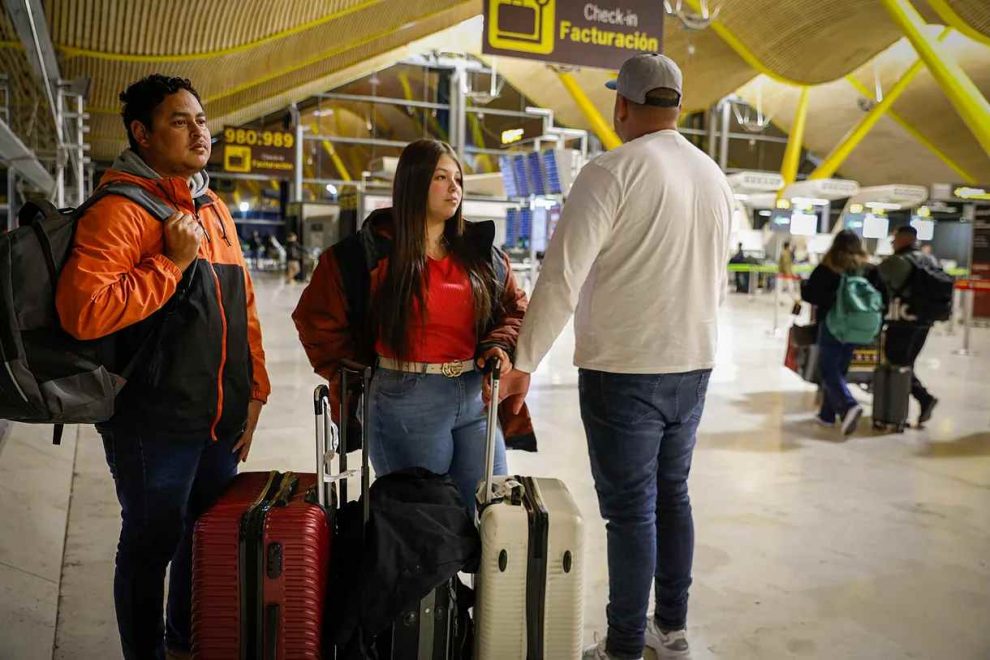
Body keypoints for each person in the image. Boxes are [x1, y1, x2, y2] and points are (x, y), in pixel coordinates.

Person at [501, 54, 732, 660]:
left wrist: (523, 361)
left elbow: (560, 278)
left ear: (621, 106)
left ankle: (625, 645)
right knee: (672, 495)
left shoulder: (610, 171)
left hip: (625, 370)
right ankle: (671, 630)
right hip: (695, 363)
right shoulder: (714, 176)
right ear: (676, 105)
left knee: (631, 513)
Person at [55, 75, 270, 660]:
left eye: (201, 120)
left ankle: (184, 646)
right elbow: (85, 311)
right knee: (152, 546)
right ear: (142, 134)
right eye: (181, 121)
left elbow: (240, 303)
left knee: (202, 544)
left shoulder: (212, 205)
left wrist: (255, 391)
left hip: (218, 418)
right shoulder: (120, 210)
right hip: (153, 424)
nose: (200, 131)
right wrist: (171, 265)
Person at [292, 139, 530, 512]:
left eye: (458, 179)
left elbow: (514, 309)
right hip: (405, 400)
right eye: (440, 177)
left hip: (475, 396)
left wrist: (498, 345)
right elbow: (315, 320)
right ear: (413, 183)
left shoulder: (482, 255)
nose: (454, 187)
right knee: (423, 528)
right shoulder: (366, 255)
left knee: (491, 516)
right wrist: (354, 376)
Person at [800, 230, 881, 436]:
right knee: (840, 369)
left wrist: (804, 286)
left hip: (832, 325)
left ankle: (848, 406)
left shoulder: (828, 267)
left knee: (828, 370)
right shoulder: (868, 269)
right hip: (858, 327)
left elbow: (812, 295)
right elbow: (881, 296)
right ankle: (827, 415)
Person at [878, 226, 939, 425]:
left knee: (897, 363)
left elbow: (876, 281)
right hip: (924, 321)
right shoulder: (930, 260)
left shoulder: (896, 261)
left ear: (904, 239)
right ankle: (909, 406)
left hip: (902, 319)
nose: (892, 242)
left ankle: (911, 405)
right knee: (906, 363)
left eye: (894, 238)